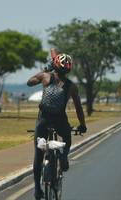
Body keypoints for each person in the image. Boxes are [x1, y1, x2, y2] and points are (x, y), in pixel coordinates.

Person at [27, 53, 87, 199]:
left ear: (54, 65)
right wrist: (82, 125)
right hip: (60, 120)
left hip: (43, 120)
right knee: (66, 136)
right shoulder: (72, 86)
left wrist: (45, 70)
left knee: (38, 154)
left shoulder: (46, 76)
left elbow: (29, 82)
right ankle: (64, 155)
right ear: (69, 69)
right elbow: (79, 108)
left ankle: (37, 190)